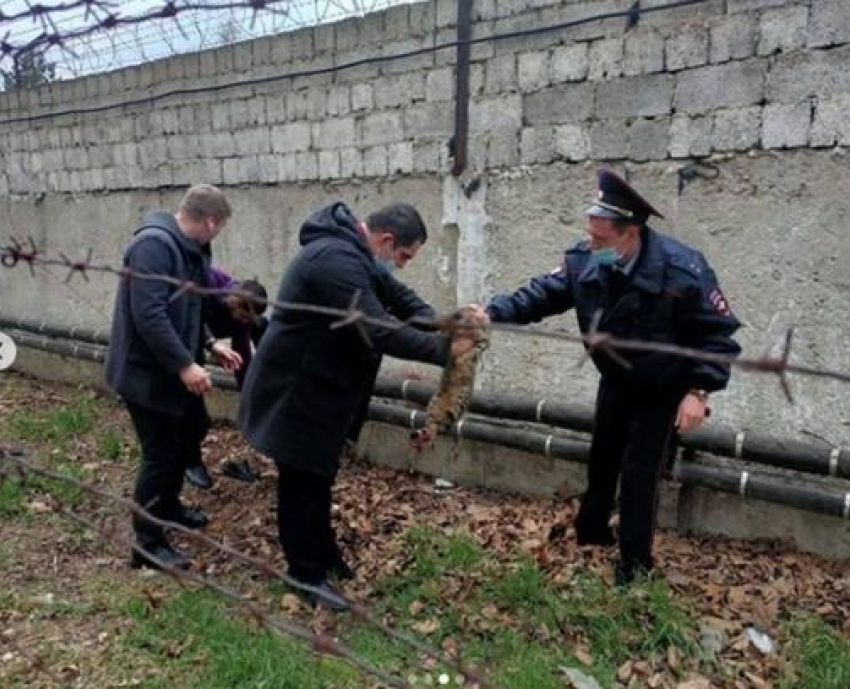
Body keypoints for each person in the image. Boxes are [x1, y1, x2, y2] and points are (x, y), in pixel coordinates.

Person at [486, 169, 741, 585]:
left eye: (601, 238)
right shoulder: (588, 259)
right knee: (602, 458)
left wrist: (698, 390)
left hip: (662, 389)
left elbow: (716, 334)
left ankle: (634, 568)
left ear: (631, 234)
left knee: (639, 476)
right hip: (617, 379)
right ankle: (592, 533)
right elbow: (542, 294)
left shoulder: (683, 271)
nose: (592, 244)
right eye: (590, 234)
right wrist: (492, 312)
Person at [239, 202, 482, 609]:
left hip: (321, 390)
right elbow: (378, 329)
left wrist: (446, 322)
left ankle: (325, 556)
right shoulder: (334, 261)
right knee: (301, 485)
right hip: (294, 390)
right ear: (386, 240)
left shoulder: (356, 257)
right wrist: (446, 351)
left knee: (319, 477)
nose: (402, 265)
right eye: (403, 256)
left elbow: (404, 303)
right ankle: (305, 574)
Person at [105, 185, 242, 570]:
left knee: (187, 435)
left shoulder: (190, 251)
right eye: (219, 229)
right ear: (210, 221)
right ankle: (147, 545)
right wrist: (185, 364)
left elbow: (186, 309)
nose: (217, 235)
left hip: (169, 370)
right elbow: (149, 315)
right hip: (144, 375)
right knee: (161, 454)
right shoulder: (153, 248)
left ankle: (169, 508)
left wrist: (210, 344)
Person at [184, 270, 269, 487]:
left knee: (264, 326)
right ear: (236, 303)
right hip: (182, 339)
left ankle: (188, 452)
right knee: (194, 415)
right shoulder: (209, 282)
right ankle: (190, 461)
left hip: (200, 343)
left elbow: (242, 358)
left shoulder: (242, 320)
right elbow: (187, 313)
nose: (243, 321)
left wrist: (250, 397)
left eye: (247, 320)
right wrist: (211, 343)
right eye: (243, 316)